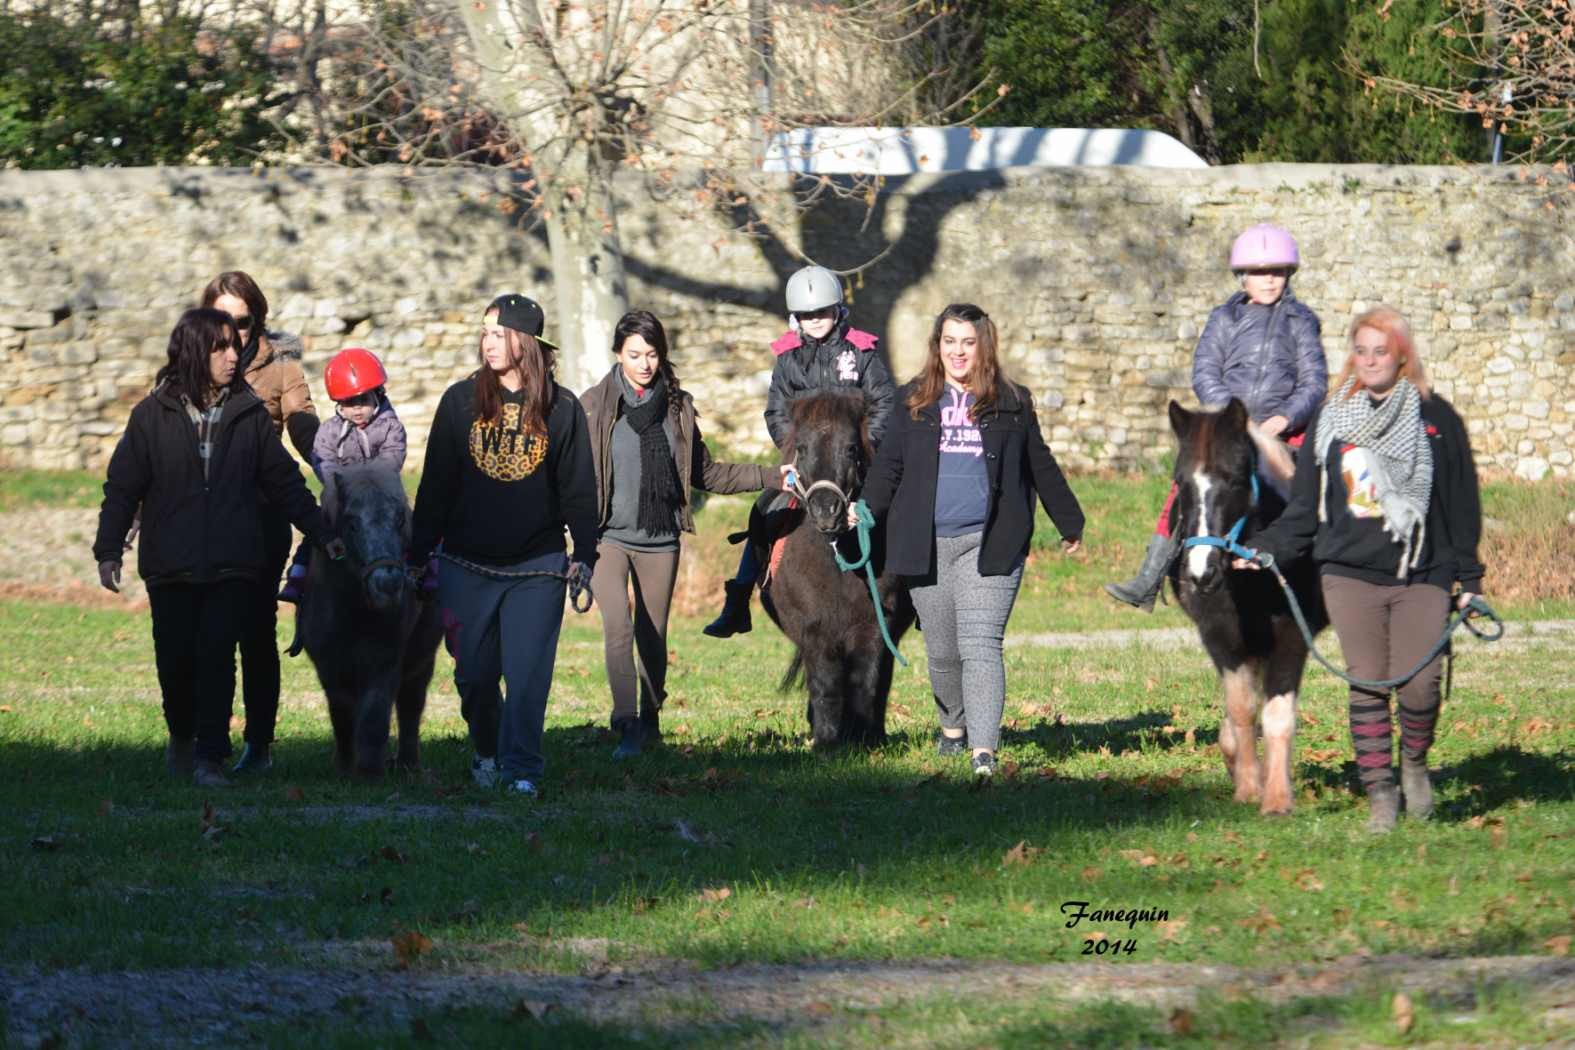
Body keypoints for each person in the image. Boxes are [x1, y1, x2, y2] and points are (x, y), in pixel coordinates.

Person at [1238, 306, 1485, 833]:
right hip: (1348, 572)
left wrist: (1471, 579)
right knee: (1368, 684)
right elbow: (1304, 510)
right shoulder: (1332, 420)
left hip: (1423, 571)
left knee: (1419, 685)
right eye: (1361, 350)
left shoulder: (1436, 419)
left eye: (1382, 351)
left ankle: (1414, 763)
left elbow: (1461, 504)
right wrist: (1265, 548)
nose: (1370, 360)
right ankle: (1381, 794)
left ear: (1402, 356)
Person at [93, 309, 332, 787]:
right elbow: (123, 484)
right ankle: (181, 736)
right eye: (220, 347)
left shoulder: (248, 414)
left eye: (233, 345)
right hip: (170, 563)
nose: (231, 355)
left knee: (218, 657)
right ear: (193, 353)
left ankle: (210, 757)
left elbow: (285, 483)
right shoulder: (150, 415)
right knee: (176, 660)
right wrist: (109, 547)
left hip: (233, 561)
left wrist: (326, 531)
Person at [860, 304, 1084, 778]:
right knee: (942, 651)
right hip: (925, 543)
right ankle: (953, 730)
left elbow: (1038, 464)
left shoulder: (1012, 402)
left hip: (991, 540)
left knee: (980, 644)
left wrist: (1069, 520)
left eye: (968, 342)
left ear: (984, 346)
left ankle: (984, 751)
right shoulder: (913, 401)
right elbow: (889, 470)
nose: (958, 351)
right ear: (937, 347)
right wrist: (863, 514)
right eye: (949, 341)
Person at [409, 294, 598, 798]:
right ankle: (487, 750)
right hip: (465, 563)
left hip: (537, 566)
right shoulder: (459, 401)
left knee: (528, 677)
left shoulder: (562, 408)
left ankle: (522, 770)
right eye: (485, 333)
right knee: (474, 676)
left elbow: (579, 488)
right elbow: (436, 486)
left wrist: (584, 554)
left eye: (499, 333)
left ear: (525, 342)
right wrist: (416, 553)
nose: (488, 342)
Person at [583, 310, 785, 759]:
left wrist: (774, 476)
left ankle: (650, 718)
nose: (644, 364)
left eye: (652, 355)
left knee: (652, 633)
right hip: (606, 538)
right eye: (634, 354)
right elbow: (572, 474)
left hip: (659, 540)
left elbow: (707, 472)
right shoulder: (593, 406)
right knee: (616, 624)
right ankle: (627, 724)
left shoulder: (677, 408)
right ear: (618, 353)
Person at [1105, 224, 1326, 612]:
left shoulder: (1301, 321)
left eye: (1276, 271)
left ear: (1289, 274)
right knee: (1189, 482)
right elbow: (1205, 371)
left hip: (1282, 428)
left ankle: (1320, 573)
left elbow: (1313, 381)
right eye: (1259, 272)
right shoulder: (1223, 319)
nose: (1268, 279)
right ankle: (1150, 576)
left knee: (1314, 486)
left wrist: (1284, 418)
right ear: (1243, 277)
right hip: (1230, 426)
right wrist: (1229, 419)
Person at [703, 264, 896, 638]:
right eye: (807, 315)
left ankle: (918, 593)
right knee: (764, 508)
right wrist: (796, 449)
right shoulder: (787, 358)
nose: (815, 320)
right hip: (806, 461)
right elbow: (776, 411)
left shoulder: (862, 352)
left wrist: (862, 444)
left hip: (856, 460)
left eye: (822, 312)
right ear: (797, 318)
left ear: (837, 309)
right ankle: (739, 599)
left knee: (902, 503)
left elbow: (884, 402)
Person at [201, 271, 321, 774]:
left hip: (262, 515)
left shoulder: (280, 367)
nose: (234, 331)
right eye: (222, 319)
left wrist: (333, 466)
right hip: (205, 520)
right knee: (207, 631)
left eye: (243, 320)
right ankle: (206, 741)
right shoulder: (191, 365)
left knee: (254, 629)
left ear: (259, 318)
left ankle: (259, 744)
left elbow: (302, 418)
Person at [278, 347, 408, 602]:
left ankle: (422, 569)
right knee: (320, 529)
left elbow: (393, 456)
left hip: (381, 495)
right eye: (349, 403)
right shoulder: (329, 431)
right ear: (339, 404)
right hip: (342, 495)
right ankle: (300, 575)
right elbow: (322, 458)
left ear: (378, 396)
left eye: (364, 400)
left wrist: (372, 480)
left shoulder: (391, 426)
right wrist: (338, 483)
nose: (357, 409)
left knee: (406, 526)